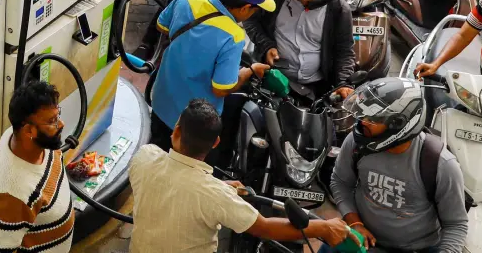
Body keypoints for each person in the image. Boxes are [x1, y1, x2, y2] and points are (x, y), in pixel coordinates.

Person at [131, 98, 352, 251]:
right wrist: (323, 226)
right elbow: (264, 227)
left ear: (176, 131)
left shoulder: (145, 156)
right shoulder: (214, 195)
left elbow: (177, 186)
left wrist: (221, 187)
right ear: (216, 143)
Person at [330, 78, 468, 253]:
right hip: (365, 239)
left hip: (418, 248)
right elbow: (340, 181)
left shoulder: (441, 165)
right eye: (364, 115)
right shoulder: (358, 143)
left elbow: (456, 224)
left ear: (398, 124)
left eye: (373, 119)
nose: (363, 122)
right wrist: (354, 222)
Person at [149, 0, 276, 145]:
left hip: (160, 101)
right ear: (245, 8)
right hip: (191, 124)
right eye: (256, 9)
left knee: (156, 150)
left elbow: (162, 25)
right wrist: (249, 71)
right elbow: (221, 88)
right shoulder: (233, 36)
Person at [0, 81, 76, 253]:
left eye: (58, 115)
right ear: (28, 131)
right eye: (52, 121)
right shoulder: (11, 194)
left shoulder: (20, 138)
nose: (60, 124)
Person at [244, 0, 355, 99]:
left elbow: (344, 50)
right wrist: (267, 46)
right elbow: (250, 20)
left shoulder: (339, 9)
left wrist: (343, 83)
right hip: (274, 79)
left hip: (316, 86)